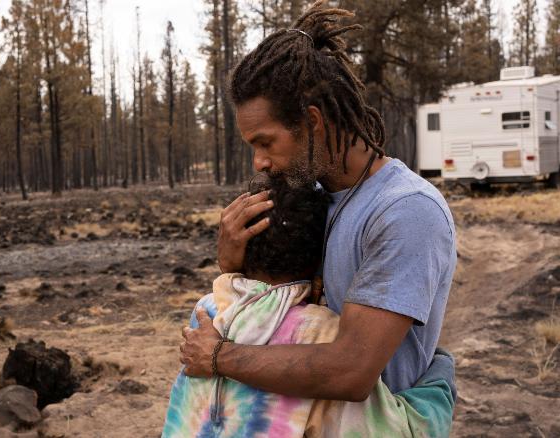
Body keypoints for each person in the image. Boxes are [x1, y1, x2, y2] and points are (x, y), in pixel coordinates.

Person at [180, 0, 457, 419]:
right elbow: (278, 315)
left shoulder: (404, 211)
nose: (258, 163)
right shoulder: (306, 198)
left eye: (265, 142)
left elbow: (352, 371)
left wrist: (220, 357)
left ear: (312, 122)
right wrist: (232, 268)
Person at [164, 176, 455, 437]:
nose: (259, 160)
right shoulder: (320, 332)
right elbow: (396, 432)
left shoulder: (207, 310)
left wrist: (229, 269)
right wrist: (438, 378)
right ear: (322, 267)